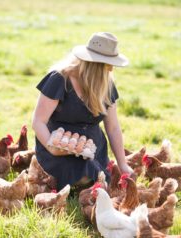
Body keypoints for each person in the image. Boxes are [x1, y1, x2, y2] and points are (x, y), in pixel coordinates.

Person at [31, 32, 134, 191]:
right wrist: (53, 147)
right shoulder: (60, 79)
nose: (111, 69)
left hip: (93, 149)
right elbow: (38, 121)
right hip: (58, 147)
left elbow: (113, 127)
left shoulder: (106, 84)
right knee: (85, 177)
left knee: (97, 178)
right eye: (108, 64)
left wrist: (123, 164)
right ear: (95, 64)